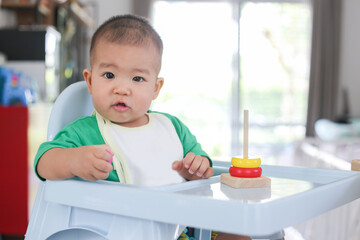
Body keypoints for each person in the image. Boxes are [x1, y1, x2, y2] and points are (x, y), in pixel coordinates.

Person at [34, 14, 250, 240]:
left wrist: (197, 169)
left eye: (137, 79)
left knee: (243, 229)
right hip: (121, 233)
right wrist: (74, 161)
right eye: (109, 75)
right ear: (90, 81)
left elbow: (202, 170)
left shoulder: (171, 127)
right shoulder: (83, 132)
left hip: (179, 230)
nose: (122, 89)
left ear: (156, 88)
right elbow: (43, 163)